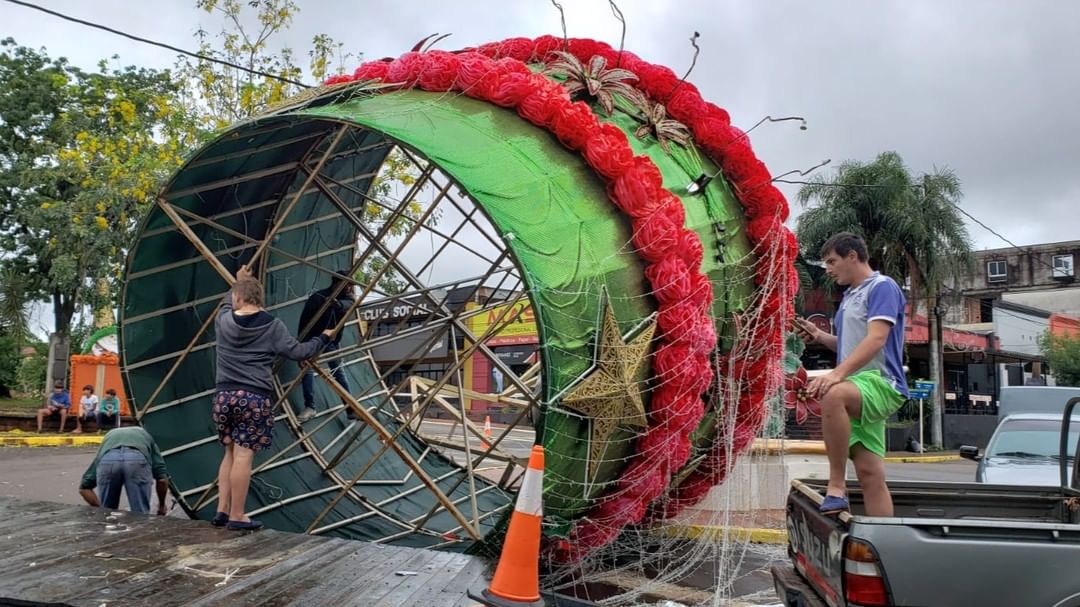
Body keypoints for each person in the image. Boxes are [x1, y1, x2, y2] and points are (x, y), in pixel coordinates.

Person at [792, 233, 909, 517]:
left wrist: (836, 375)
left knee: (832, 394)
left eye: (832, 261)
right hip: (857, 386)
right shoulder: (848, 298)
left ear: (853, 256)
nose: (828, 269)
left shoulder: (882, 287)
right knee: (870, 474)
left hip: (881, 383)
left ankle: (835, 486)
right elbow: (848, 345)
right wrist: (819, 335)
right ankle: (884, 545)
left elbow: (877, 339)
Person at [213, 264, 332, 530]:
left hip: (223, 397)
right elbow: (299, 351)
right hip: (253, 397)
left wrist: (238, 279)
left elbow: (226, 301)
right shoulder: (272, 326)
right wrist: (322, 339)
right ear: (259, 300)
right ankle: (237, 515)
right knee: (244, 456)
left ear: (239, 298)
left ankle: (221, 510)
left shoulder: (223, 320)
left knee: (229, 453)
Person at [296, 270, 355, 422]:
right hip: (312, 339)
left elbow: (347, 306)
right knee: (306, 370)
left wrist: (336, 304)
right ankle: (310, 407)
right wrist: (301, 346)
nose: (350, 288)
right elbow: (304, 321)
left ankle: (350, 409)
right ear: (338, 283)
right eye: (347, 285)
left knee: (338, 372)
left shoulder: (347, 300)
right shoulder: (317, 298)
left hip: (330, 341)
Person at [78, 426, 169, 514]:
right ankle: (140, 524)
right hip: (136, 459)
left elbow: (84, 488)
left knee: (107, 516)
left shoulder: (110, 436)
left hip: (108, 459)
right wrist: (162, 505)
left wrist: (102, 509)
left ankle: (106, 517)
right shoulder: (146, 435)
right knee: (140, 515)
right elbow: (162, 479)